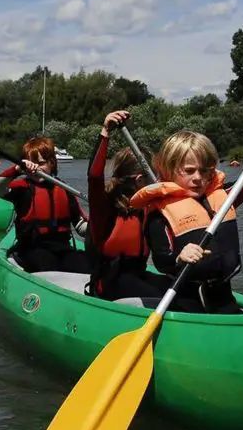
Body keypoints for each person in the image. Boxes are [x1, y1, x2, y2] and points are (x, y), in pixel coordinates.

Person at [130, 107, 243, 314]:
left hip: (223, 299)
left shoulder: (225, 196)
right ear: (168, 169)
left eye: (205, 171)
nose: (198, 177)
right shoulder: (158, 213)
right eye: (189, 171)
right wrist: (179, 257)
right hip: (185, 304)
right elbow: (162, 261)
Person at [85, 111, 199, 308]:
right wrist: (105, 132)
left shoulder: (149, 206)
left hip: (138, 276)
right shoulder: (104, 208)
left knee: (190, 292)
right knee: (175, 300)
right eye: (153, 177)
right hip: (109, 284)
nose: (158, 182)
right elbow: (94, 176)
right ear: (139, 181)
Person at [0, 137, 89, 273]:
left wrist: (98, 228)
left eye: (41, 163)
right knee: (47, 263)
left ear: (52, 163)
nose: (36, 168)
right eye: (31, 164)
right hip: (31, 249)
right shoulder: (22, 187)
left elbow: (79, 224)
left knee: (87, 265)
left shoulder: (64, 189)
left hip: (63, 249)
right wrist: (17, 168)